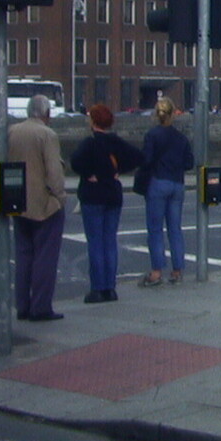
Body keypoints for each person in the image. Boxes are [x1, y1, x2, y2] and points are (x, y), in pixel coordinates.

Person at [70, 103, 144, 304]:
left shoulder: (89, 143)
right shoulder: (115, 142)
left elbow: (75, 162)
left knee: (95, 243)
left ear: (93, 121)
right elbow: (138, 157)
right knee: (110, 241)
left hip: (93, 195)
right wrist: (118, 169)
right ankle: (110, 287)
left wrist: (89, 174)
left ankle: (97, 288)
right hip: (112, 193)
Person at [8, 94, 67, 321]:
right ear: (47, 113)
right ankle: (40, 306)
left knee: (23, 256)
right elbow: (54, 172)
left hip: (17, 200)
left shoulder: (12, 131)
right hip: (44, 204)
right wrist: (60, 197)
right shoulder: (47, 134)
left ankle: (22, 305)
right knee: (45, 257)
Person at [139, 96, 194, 286]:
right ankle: (177, 270)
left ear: (157, 114)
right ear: (173, 114)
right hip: (177, 184)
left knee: (155, 230)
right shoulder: (181, 138)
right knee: (175, 229)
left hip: (158, 182)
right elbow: (189, 163)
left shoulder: (152, 135)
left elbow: (146, 160)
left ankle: (156, 272)